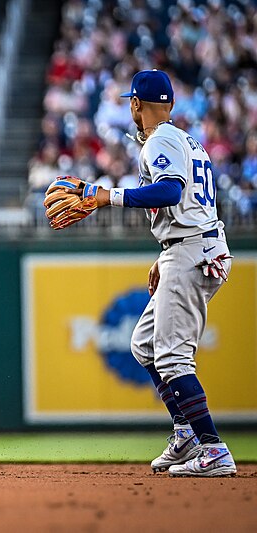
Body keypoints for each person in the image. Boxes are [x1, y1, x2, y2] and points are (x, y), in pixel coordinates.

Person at [60, 69, 236, 477]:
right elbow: (190, 203)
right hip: (192, 246)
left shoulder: (161, 139)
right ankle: (185, 433)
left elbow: (171, 191)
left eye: (131, 104)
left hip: (191, 252)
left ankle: (213, 448)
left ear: (136, 104)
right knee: (144, 346)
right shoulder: (187, 140)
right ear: (170, 104)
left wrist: (107, 196)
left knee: (174, 359)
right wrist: (168, 251)